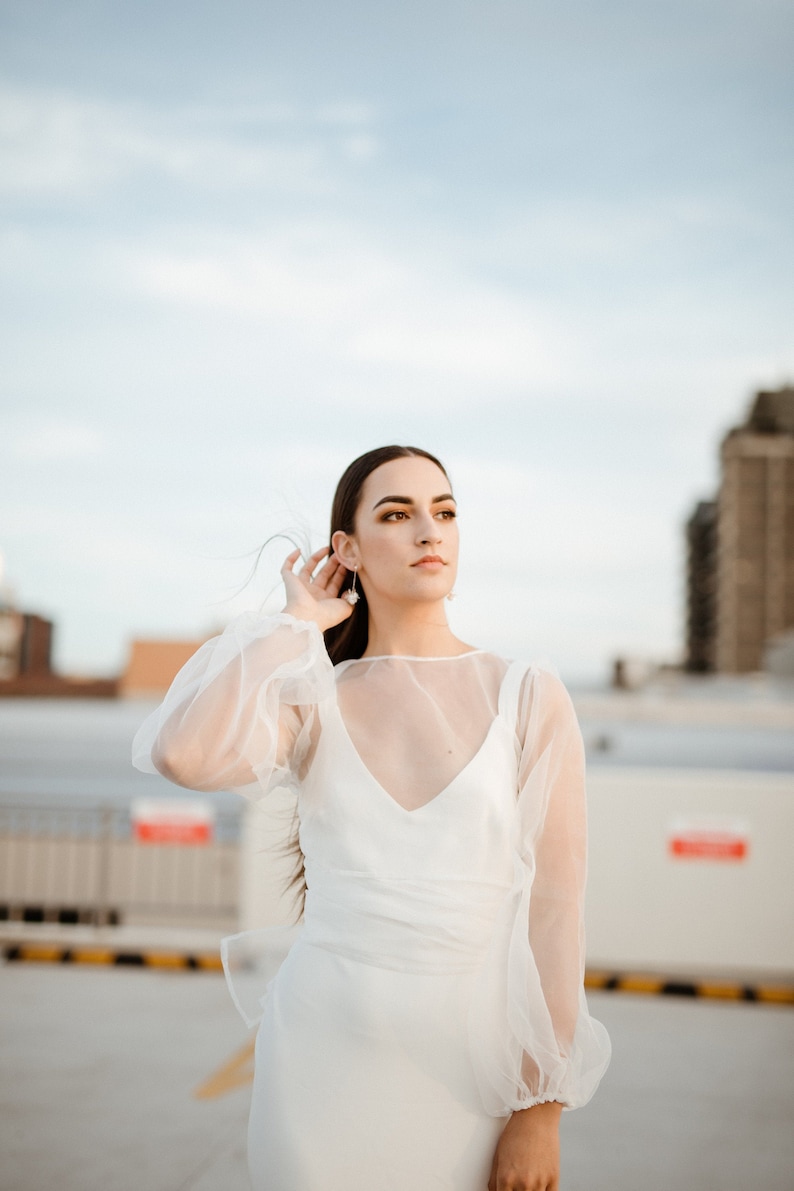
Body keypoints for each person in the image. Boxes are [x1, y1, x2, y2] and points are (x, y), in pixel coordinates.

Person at [132, 444, 610, 1191]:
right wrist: (294, 627)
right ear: (346, 549)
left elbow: (555, 913)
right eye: (398, 513)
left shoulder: (528, 694)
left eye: (444, 511)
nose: (431, 531)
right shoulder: (314, 691)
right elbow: (182, 754)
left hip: (471, 1069)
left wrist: (541, 1106)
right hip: (321, 1055)